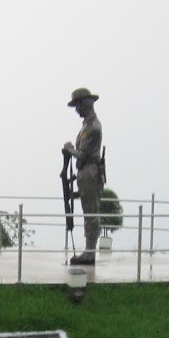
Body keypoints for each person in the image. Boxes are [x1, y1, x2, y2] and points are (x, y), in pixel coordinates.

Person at [63, 87, 103, 265]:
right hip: (85, 172)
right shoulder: (87, 126)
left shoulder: (92, 127)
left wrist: (69, 148)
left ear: (85, 104)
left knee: (91, 212)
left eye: (78, 106)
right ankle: (89, 250)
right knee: (88, 211)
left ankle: (89, 252)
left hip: (89, 172)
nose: (77, 110)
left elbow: (82, 154)